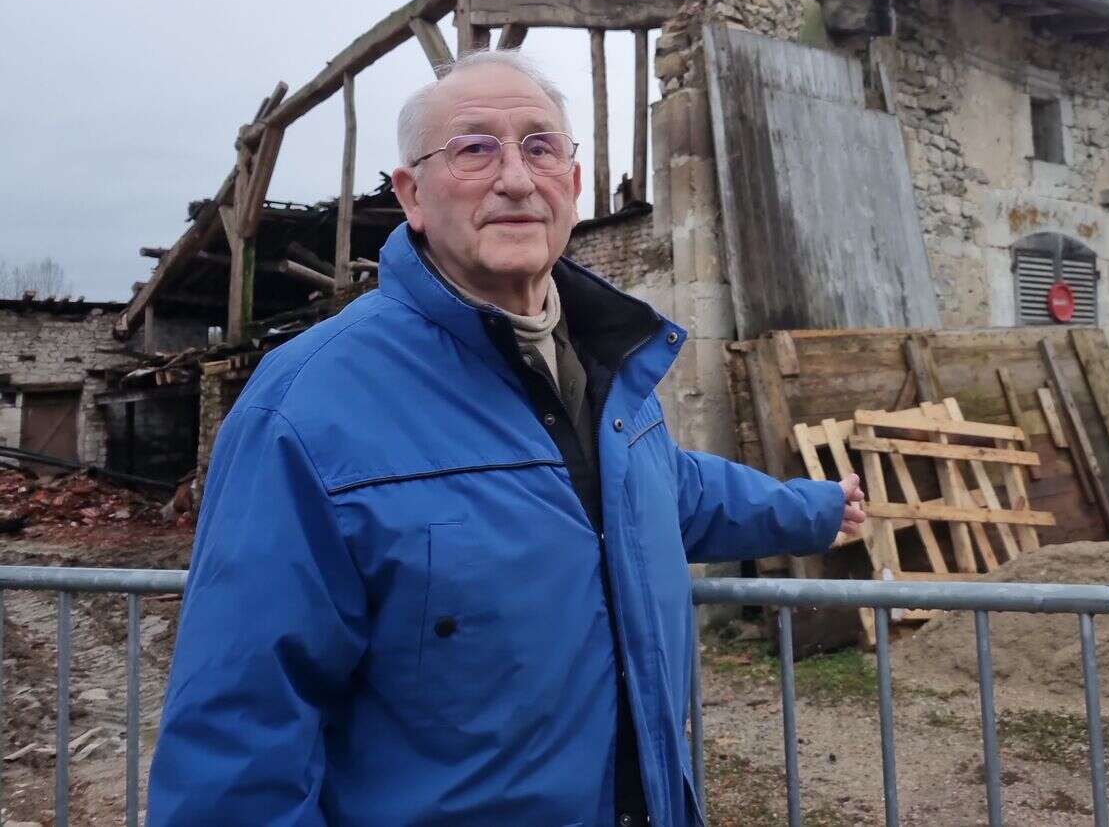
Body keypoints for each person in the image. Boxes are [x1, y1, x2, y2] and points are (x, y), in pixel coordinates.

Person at [146, 49, 866, 827]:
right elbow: (237, 751)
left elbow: (671, 490)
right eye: (475, 148)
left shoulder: (605, 368)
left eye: (540, 146)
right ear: (412, 194)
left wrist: (816, 508)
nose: (516, 178)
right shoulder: (304, 410)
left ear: (574, 185)